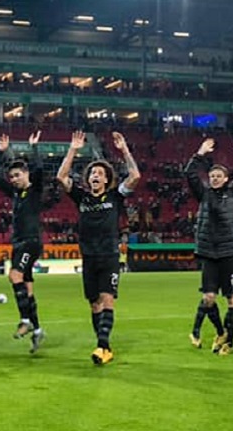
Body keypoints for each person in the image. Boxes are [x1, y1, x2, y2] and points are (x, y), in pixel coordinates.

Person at [56, 130, 140, 365]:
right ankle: (105, 346)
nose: (95, 175)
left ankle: (102, 346)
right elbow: (61, 177)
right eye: (93, 173)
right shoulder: (81, 197)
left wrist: (124, 150)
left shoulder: (115, 196)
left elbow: (135, 175)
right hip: (89, 257)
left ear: (106, 180)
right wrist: (73, 150)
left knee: (107, 298)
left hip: (109, 255)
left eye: (100, 173)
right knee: (94, 304)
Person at [183, 131, 233, 355]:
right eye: (211, 176)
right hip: (209, 254)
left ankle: (229, 342)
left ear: (226, 178)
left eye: (218, 176)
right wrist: (200, 153)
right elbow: (189, 173)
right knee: (209, 298)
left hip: (231, 253)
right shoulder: (204, 195)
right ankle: (221, 331)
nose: (214, 178)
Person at [0, 131, 47, 352]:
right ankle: (38, 330)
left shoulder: (35, 189)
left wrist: (34, 148)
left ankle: (26, 320)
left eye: (17, 175)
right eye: (11, 177)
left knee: (14, 275)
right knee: (27, 288)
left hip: (31, 242)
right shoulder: (14, 193)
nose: (13, 179)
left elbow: (39, 169)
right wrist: (0, 153)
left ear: (26, 174)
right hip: (18, 243)